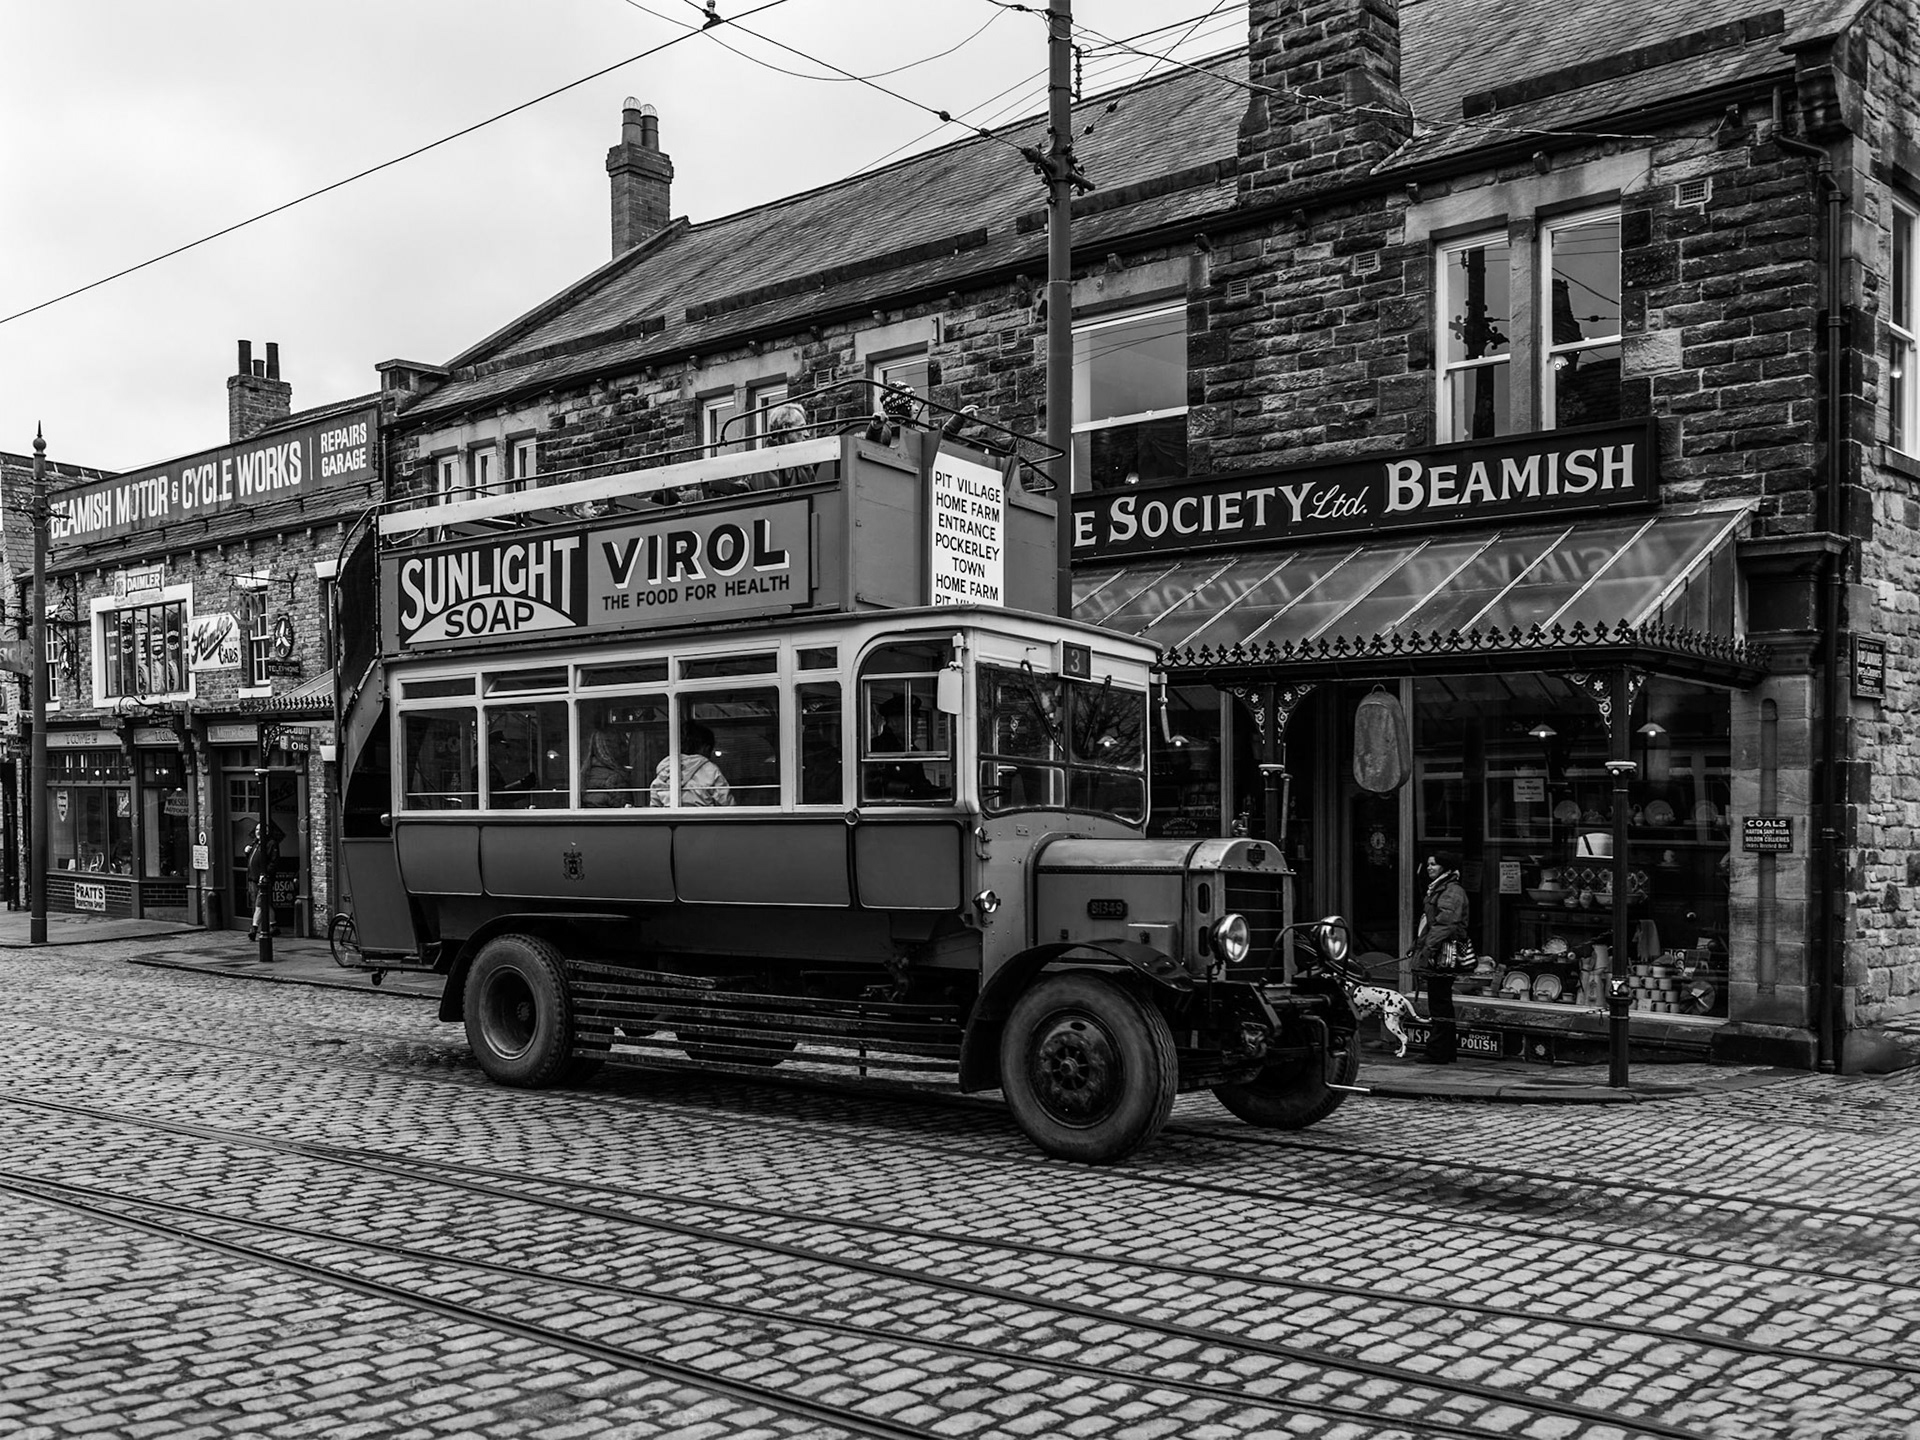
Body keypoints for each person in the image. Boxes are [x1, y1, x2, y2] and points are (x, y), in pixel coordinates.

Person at [1412, 850, 1470, 1063]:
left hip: (1444, 952)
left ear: (1445, 867)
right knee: (1439, 1000)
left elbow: (1446, 922)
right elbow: (1430, 922)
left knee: (1440, 1001)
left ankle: (1438, 1051)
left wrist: (1428, 947)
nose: (1429, 868)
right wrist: (1417, 945)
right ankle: (1444, 1051)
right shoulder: (1438, 888)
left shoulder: (1451, 890)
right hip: (1437, 948)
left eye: (1434, 864)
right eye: (1428, 864)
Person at [650, 721, 731, 807]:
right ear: (705, 748)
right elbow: (727, 804)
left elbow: (655, 806)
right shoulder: (710, 770)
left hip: (669, 819)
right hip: (705, 818)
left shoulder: (665, 769)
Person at [244, 822, 282, 943]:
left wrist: (265, 875)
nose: (257, 832)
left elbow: (274, 862)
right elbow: (253, 859)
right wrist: (247, 852)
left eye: (260, 829)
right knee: (265, 903)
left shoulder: (271, 844)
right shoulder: (255, 843)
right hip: (253, 879)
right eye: (256, 829)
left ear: (266, 831)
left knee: (259, 904)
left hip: (263, 880)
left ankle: (253, 929)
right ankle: (273, 925)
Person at [581, 728, 633, 807]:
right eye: (621, 745)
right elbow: (624, 812)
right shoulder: (616, 778)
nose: (624, 750)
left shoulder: (585, 773)